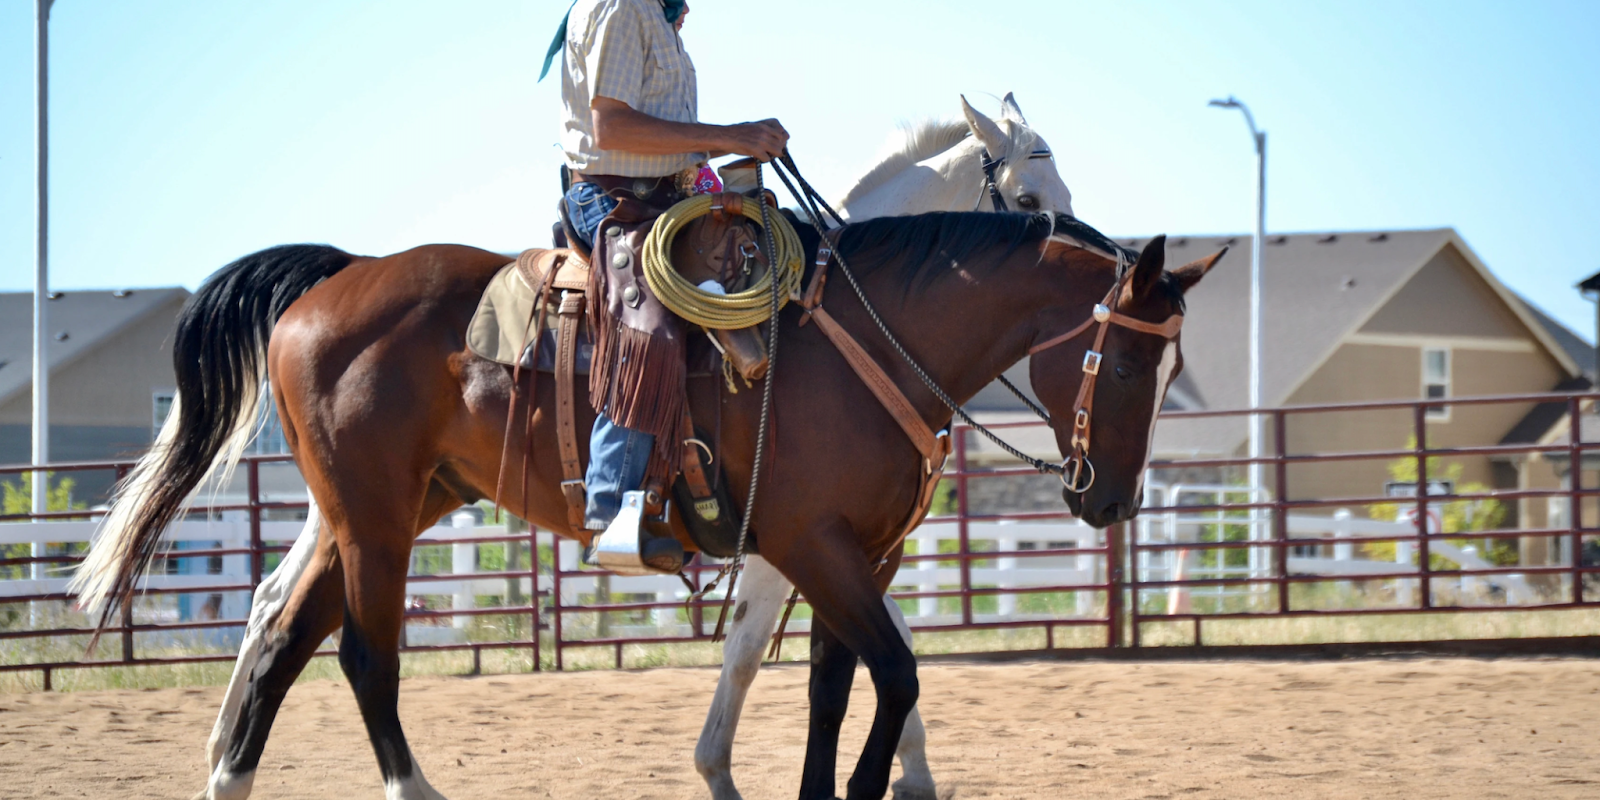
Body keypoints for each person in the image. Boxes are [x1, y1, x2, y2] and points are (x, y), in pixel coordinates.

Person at [547, 0, 789, 552]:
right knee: (649, 319)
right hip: (612, 198)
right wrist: (731, 136)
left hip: (665, 193)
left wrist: (713, 166)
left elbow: (670, 138)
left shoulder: (660, 14)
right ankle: (610, 508)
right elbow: (611, 125)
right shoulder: (624, 7)